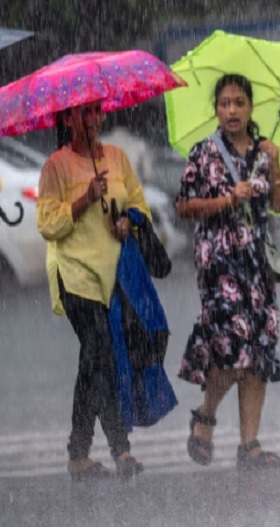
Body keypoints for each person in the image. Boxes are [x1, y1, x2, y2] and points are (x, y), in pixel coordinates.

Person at [176, 73, 280, 472]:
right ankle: (205, 415)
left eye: (239, 102)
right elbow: (184, 206)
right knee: (231, 343)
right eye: (225, 103)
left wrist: (274, 165)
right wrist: (228, 199)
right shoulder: (204, 152)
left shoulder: (263, 150)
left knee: (258, 348)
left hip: (256, 262)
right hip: (218, 260)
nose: (232, 110)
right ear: (216, 109)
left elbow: (278, 203)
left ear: (250, 107)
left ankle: (250, 445)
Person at [37, 100, 149, 479]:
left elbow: (139, 207)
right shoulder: (56, 166)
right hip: (74, 275)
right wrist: (84, 198)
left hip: (110, 275)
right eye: (83, 112)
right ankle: (121, 450)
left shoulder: (116, 158)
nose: (92, 118)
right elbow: (48, 225)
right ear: (67, 119)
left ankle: (78, 455)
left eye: (96, 110)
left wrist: (127, 222)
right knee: (101, 353)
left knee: (92, 362)